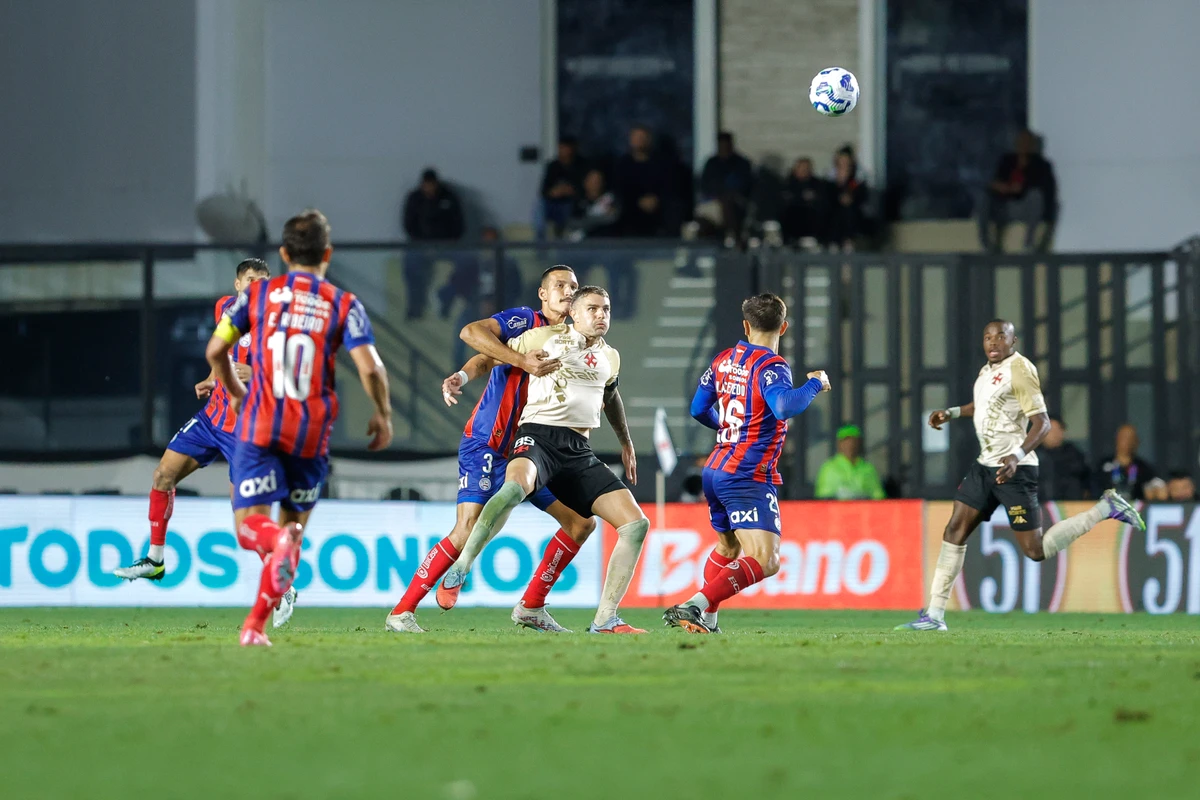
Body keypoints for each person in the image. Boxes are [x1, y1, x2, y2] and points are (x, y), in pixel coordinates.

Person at [384, 270, 635, 633]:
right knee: (466, 528)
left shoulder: (579, 341)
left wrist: (622, 439)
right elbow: (478, 344)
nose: (568, 292)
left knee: (580, 523)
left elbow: (608, 392)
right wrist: (465, 375)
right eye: (560, 286)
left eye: (573, 288)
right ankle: (402, 612)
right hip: (490, 441)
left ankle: (531, 607)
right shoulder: (524, 322)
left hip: (537, 449)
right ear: (543, 294)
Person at [205, 209, 393, 646]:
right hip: (311, 432)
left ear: (284, 253)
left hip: (260, 422)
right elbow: (372, 369)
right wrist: (382, 413)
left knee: (254, 529)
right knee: (294, 531)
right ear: (327, 253)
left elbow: (217, 352)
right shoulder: (343, 303)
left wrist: (234, 392)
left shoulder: (257, 296)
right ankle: (254, 626)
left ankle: (259, 609)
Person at [896, 320, 1145, 632]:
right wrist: (952, 412)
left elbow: (1041, 423)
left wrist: (1016, 455)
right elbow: (983, 405)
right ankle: (935, 615)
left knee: (1035, 550)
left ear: (1013, 340)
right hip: (985, 466)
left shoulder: (1020, 369)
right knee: (954, 530)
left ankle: (1105, 508)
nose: (993, 342)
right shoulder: (986, 371)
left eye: (1001, 336)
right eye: (988, 337)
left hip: (1015, 469)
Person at [665, 293, 831, 634]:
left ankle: (708, 620)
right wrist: (816, 382)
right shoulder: (771, 365)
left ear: (745, 325)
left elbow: (698, 409)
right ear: (783, 327)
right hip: (746, 474)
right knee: (767, 560)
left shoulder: (724, 359)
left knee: (727, 546)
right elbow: (785, 405)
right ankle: (693, 605)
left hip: (715, 470)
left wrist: (730, 428)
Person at [114, 259, 271, 583]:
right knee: (162, 476)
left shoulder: (274, 327)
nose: (256, 285)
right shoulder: (224, 309)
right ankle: (154, 560)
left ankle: (282, 582)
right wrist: (212, 377)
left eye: (263, 280)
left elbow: (291, 377)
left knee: (245, 519)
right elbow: (221, 351)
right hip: (212, 419)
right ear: (237, 284)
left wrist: (256, 374)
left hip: (245, 430)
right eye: (250, 279)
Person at [977, 129, 1058, 253]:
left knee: (1035, 196)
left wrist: (1021, 187)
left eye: (1027, 142)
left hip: (1026, 207)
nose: (1023, 145)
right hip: (1004, 205)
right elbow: (996, 181)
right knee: (984, 198)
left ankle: (1029, 243)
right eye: (1021, 141)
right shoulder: (1007, 161)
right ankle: (987, 244)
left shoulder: (1042, 165)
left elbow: (1045, 189)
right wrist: (1003, 187)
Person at [402, 168, 465, 319]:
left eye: (432, 185)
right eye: (426, 185)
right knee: (410, 262)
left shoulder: (449, 197)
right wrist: (424, 246)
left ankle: (446, 300)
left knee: (467, 261)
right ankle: (415, 306)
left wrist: (445, 244)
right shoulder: (415, 198)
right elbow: (409, 225)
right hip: (421, 247)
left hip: (448, 247)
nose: (429, 188)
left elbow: (459, 225)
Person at [697, 131, 753, 244]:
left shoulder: (741, 164)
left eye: (726, 145)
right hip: (713, 202)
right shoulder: (711, 163)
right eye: (721, 145)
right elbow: (704, 185)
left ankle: (734, 238)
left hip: (736, 202)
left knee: (728, 205)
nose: (724, 148)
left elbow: (746, 185)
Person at [814, 424, 886, 500]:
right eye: (845, 440)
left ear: (859, 443)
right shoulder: (828, 468)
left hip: (863, 511)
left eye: (853, 441)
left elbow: (878, 496)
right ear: (839, 444)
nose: (850, 444)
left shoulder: (868, 469)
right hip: (838, 511)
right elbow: (823, 499)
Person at [540, 136, 588, 238]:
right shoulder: (553, 166)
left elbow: (586, 190)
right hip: (553, 203)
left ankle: (564, 236)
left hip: (573, 203)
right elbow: (543, 191)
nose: (564, 151)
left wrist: (570, 190)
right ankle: (540, 246)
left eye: (566, 148)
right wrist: (554, 192)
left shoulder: (582, 165)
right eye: (561, 148)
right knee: (538, 208)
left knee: (568, 207)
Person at [1094, 424, 1157, 501]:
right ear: (1116, 439)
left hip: (1134, 510)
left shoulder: (1144, 468)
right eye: (1123, 437)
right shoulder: (1103, 465)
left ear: (1136, 442)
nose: (1127, 441)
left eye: (1130, 438)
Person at [780, 157, 831, 247]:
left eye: (807, 168)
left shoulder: (818, 184)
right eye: (801, 168)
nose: (804, 171)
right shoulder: (787, 184)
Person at [1037, 416, 1091, 500]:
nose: (1054, 434)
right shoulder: (1033, 456)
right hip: (1042, 505)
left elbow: (1086, 482)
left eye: (1057, 430)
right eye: (1050, 431)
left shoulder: (1075, 455)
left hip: (1071, 505)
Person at [827, 146, 868, 251]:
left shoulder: (857, 178)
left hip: (852, 209)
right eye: (842, 161)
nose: (844, 164)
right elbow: (827, 194)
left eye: (847, 161)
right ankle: (834, 242)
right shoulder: (830, 177)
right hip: (832, 208)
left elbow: (861, 196)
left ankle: (848, 241)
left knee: (848, 211)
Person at [565, 169, 621, 240]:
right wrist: (597, 218)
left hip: (607, 241)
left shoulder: (610, 198)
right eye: (592, 180)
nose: (595, 184)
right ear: (585, 182)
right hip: (584, 243)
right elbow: (571, 223)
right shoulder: (578, 201)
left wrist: (588, 220)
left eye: (598, 181)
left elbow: (613, 219)